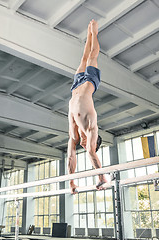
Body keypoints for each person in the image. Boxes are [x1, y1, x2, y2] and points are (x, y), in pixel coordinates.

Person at [68, 20, 107, 194]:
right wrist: (101, 177)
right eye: (88, 145)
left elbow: (70, 156)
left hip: (76, 87)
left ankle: (88, 34)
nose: (83, 145)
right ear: (93, 141)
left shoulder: (75, 133)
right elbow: (91, 153)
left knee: (83, 58)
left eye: (83, 146)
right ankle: (94, 32)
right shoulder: (92, 127)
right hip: (90, 83)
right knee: (92, 56)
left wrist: (71, 183)